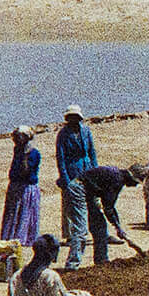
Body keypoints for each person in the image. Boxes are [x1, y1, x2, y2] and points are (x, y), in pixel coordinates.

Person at [55, 106, 97, 269]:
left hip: (86, 168)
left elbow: (92, 152)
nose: (74, 120)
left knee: (90, 206)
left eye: (76, 117)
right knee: (72, 208)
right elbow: (61, 157)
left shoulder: (86, 131)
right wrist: (65, 179)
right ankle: (71, 238)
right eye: (71, 117)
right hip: (72, 171)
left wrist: (95, 171)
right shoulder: (63, 134)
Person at [0, 127, 42, 244]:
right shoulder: (17, 150)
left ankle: (23, 237)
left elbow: (26, 171)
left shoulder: (33, 153)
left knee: (24, 212)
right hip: (15, 185)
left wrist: (25, 156)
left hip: (26, 187)